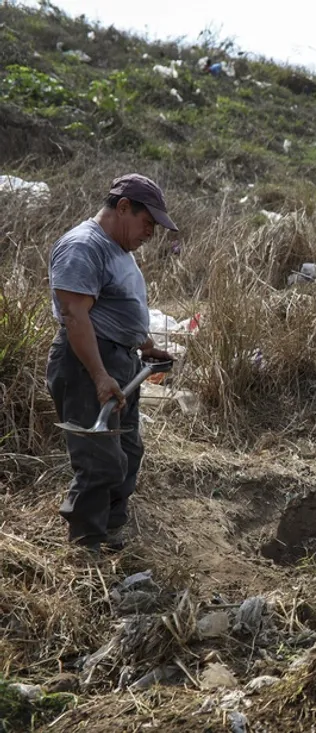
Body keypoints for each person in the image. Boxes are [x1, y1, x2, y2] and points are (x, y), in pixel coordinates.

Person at [47, 174, 178, 555]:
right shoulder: (83, 247)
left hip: (120, 360)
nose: (150, 233)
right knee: (100, 459)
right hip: (87, 364)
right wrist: (100, 375)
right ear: (123, 208)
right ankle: (86, 544)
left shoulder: (118, 250)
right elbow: (75, 315)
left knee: (127, 452)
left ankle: (111, 530)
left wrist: (146, 345)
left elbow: (117, 308)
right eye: (147, 223)